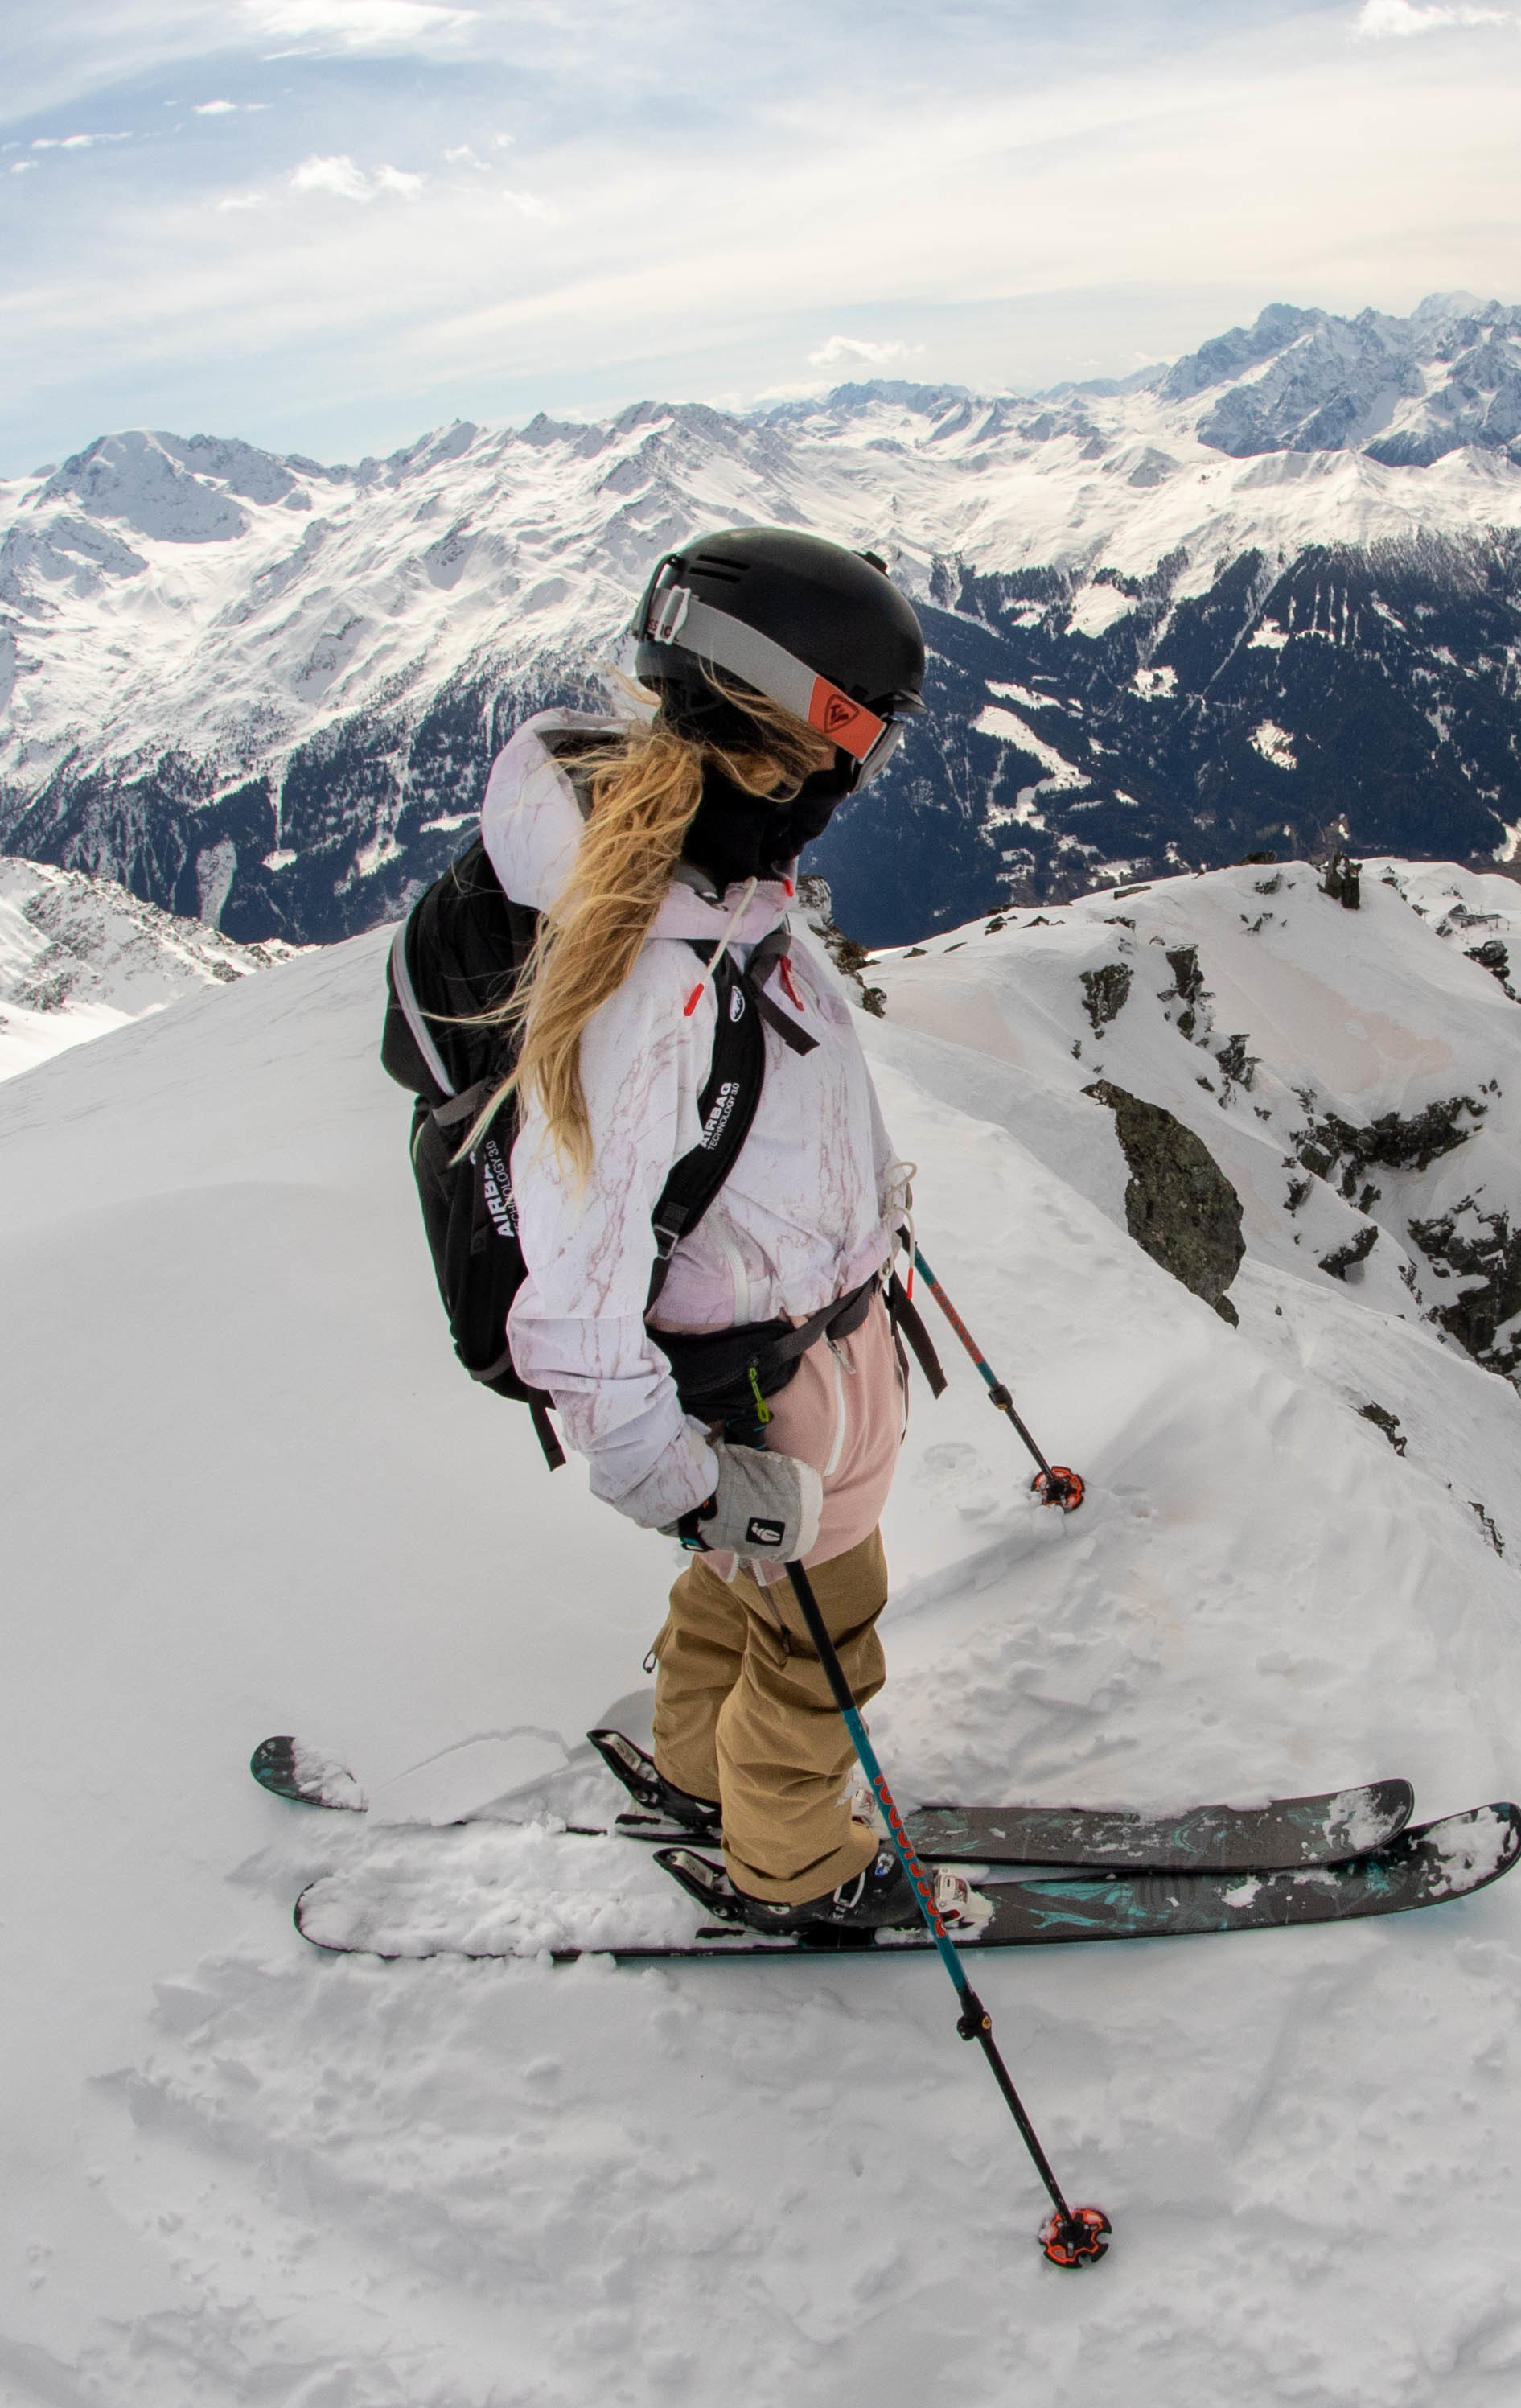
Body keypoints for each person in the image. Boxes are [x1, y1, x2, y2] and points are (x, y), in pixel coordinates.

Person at [475, 528, 934, 1936]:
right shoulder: (657, 981)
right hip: (772, 1376)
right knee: (820, 1640)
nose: (870, 772)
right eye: (871, 734)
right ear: (806, 726)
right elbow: (573, 1303)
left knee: (750, 1590)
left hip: (788, 1349)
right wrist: (676, 1477)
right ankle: (791, 1859)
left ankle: (695, 1767)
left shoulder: (717, 897)